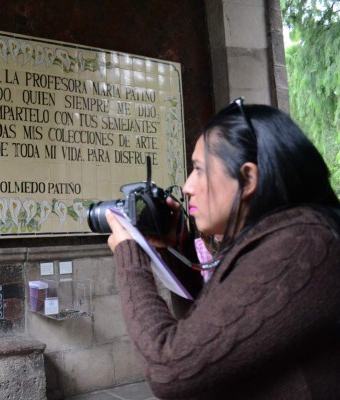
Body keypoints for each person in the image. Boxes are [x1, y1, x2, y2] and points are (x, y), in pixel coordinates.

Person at [105, 98, 340, 400]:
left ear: (248, 178)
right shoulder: (283, 235)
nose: (187, 186)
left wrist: (130, 258)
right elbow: (214, 333)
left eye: (199, 170)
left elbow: (170, 369)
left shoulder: (302, 244)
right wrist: (177, 252)